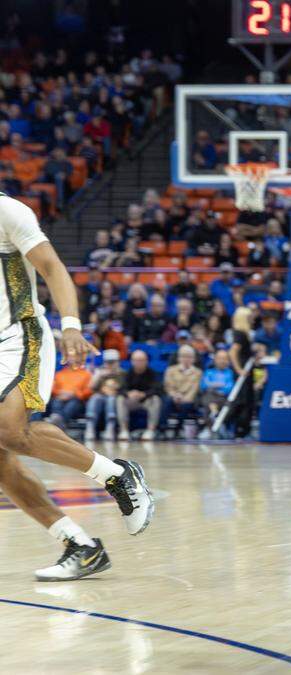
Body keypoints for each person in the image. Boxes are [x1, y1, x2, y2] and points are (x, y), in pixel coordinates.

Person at [0, 195, 153, 581]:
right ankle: (79, 546)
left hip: (19, 337)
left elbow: (52, 267)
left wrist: (71, 325)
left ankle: (117, 475)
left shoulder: (7, 211)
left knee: (7, 429)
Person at [117, 349, 162, 441]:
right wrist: (129, 393)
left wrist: (144, 394)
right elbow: (121, 389)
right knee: (120, 399)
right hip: (132, 402)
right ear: (132, 361)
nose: (139, 363)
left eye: (141, 360)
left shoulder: (152, 373)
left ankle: (150, 430)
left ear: (146, 361)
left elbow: (158, 389)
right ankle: (124, 430)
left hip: (147, 401)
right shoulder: (127, 373)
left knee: (156, 399)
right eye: (136, 360)